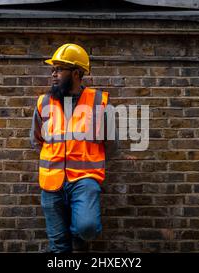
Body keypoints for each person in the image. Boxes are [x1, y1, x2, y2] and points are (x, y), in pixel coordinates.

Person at [30, 43, 118, 253]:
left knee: (87, 228)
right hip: (51, 179)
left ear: (77, 73)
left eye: (59, 70)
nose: (54, 74)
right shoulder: (43, 103)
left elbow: (111, 143)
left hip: (85, 179)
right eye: (53, 70)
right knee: (59, 247)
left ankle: (77, 235)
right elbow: (37, 139)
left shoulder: (99, 102)